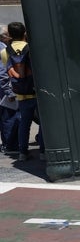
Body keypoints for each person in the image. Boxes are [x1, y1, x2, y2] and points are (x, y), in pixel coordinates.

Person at [1, 21, 43, 161]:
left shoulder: (4, 52)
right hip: (36, 91)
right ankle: (43, 152)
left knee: (24, 124)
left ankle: (22, 153)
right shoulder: (31, 48)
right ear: (24, 33)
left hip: (21, 93)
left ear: (10, 36)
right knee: (43, 124)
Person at [0, 26, 19, 155]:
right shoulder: (2, 49)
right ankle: (11, 145)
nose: (10, 36)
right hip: (3, 89)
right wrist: (9, 92)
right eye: (8, 34)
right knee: (9, 116)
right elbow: (2, 73)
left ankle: (8, 144)